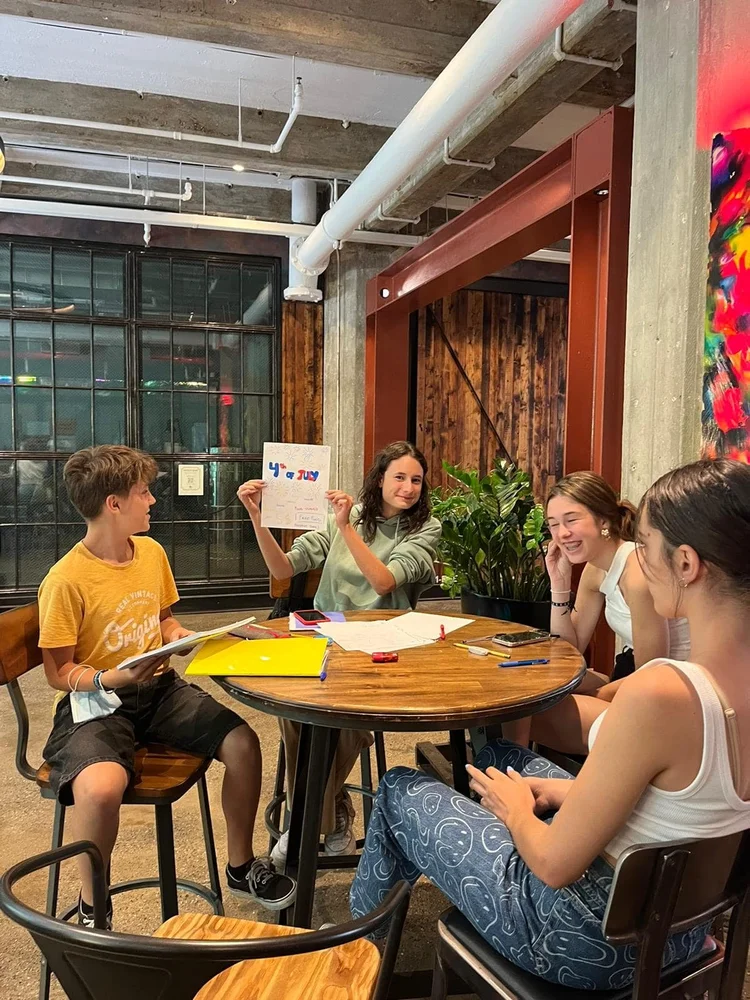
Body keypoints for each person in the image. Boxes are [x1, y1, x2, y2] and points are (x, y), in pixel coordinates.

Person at [351, 458, 750, 989]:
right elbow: (681, 803)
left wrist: (517, 812)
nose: (640, 556)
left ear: (685, 563)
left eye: (646, 542)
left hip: (583, 938)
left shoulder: (661, 694)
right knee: (500, 758)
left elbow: (555, 865)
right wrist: (565, 792)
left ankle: (349, 967)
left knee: (400, 787)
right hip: (686, 927)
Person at [39, 446, 296, 929]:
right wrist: (113, 677)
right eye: (144, 492)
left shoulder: (151, 554)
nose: (153, 500)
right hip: (98, 702)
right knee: (101, 788)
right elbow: (58, 672)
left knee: (243, 743)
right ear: (114, 504)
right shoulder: (66, 579)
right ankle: (94, 904)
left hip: (159, 690)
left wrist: (186, 637)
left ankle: (240, 865)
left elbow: (163, 621)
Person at [238, 440, 441, 864]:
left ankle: (303, 823)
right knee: (295, 711)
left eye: (416, 480)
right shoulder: (344, 518)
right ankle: (334, 815)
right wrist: (257, 518)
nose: (408, 488)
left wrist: (346, 527)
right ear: (379, 479)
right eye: (399, 477)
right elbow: (282, 568)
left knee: (345, 720)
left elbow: (384, 582)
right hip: (325, 636)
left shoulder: (424, 528)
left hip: (384, 646)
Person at [503, 471, 690, 748]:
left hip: (672, 694)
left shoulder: (637, 572)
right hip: (635, 678)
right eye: (553, 524)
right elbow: (569, 650)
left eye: (571, 520)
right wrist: (559, 584)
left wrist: (598, 693)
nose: (562, 534)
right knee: (523, 687)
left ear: (603, 520)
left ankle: (512, 764)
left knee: (522, 709)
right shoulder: (595, 569)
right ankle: (514, 763)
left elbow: (651, 673)